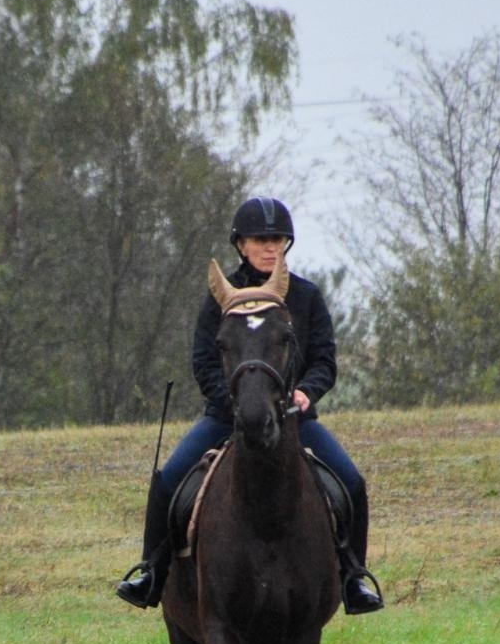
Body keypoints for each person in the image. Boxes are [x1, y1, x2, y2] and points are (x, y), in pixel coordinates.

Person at [115, 196, 383, 615]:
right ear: (241, 245)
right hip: (227, 418)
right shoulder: (220, 297)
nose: (270, 248)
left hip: (294, 421)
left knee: (351, 482)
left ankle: (353, 577)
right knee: (167, 482)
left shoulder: (307, 297)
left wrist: (306, 392)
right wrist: (236, 402)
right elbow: (204, 363)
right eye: (260, 240)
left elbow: (324, 361)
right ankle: (151, 572)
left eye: (278, 240)